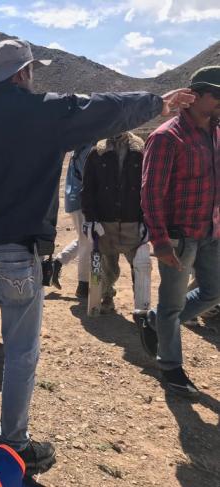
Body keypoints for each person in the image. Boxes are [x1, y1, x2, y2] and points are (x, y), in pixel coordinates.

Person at [0, 38, 194, 476]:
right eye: (32, 71)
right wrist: (156, 102)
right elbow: (104, 108)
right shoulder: (45, 113)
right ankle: (13, 444)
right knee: (20, 353)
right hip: (17, 257)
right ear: (23, 73)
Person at [140, 66, 220, 398]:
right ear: (194, 97)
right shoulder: (165, 137)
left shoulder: (215, 133)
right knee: (172, 305)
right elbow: (150, 194)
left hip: (211, 232)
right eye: (217, 96)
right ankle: (170, 367)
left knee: (213, 292)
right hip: (179, 237)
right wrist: (160, 241)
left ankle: (154, 320)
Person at [81, 131, 152, 316]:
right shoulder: (98, 151)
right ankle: (106, 297)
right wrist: (91, 219)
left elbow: (148, 186)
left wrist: (147, 219)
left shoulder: (140, 149)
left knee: (140, 265)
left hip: (132, 220)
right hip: (106, 221)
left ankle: (141, 305)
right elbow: (88, 189)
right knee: (107, 266)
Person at [51, 142, 94, 297]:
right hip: (82, 201)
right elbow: (90, 179)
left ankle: (57, 263)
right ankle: (83, 284)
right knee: (87, 241)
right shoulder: (88, 148)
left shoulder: (83, 145)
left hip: (77, 199)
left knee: (86, 237)